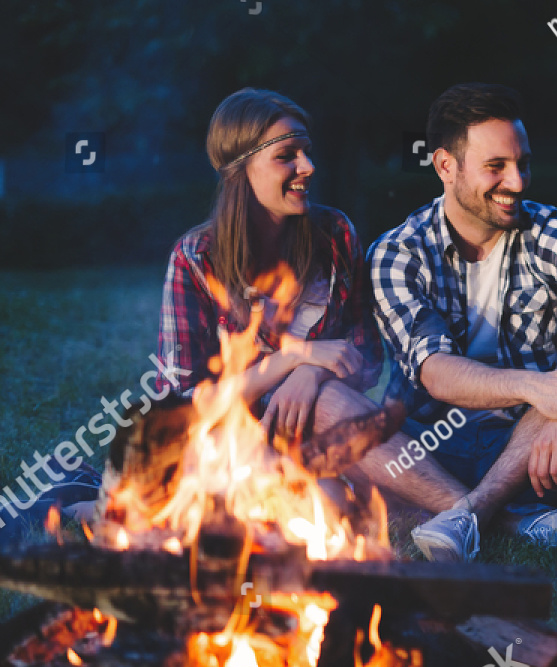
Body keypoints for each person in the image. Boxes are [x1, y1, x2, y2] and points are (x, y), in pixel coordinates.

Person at [369, 83, 557, 562]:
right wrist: (538, 388)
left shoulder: (546, 231)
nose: (518, 182)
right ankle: (513, 524)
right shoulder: (398, 253)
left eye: (522, 163)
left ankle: (466, 516)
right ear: (445, 166)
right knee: (339, 415)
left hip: (538, 454)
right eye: (496, 167)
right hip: (433, 453)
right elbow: (435, 372)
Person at [158, 89, 463, 513]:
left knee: (331, 407)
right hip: (224, 441)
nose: (308, 167)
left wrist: (311, 375)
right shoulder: (195, 257)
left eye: (307, 151)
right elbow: (183, 403)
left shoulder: (333, 234)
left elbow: (367, 353)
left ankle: (468, 512)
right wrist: (291, 360)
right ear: (238, 170)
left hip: (316, 425)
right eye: (287, 156)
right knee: (331, 504)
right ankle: (480, 512)